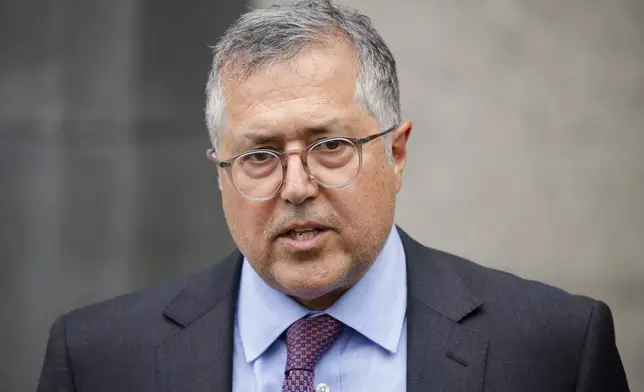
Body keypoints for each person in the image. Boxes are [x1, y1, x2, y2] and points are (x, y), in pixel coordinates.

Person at [37, 0, 630, 391]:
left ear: (396, 154)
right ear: (220, 173)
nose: (296, 187)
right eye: (259, 156)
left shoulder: (555, 351)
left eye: (330, 146)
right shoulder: (97, 361)